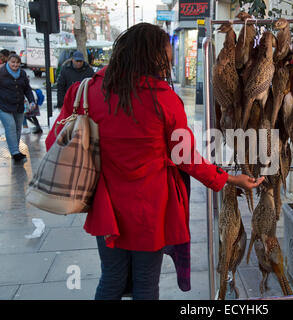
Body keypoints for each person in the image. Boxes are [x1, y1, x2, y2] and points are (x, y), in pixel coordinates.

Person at [45, 23, 264, 300]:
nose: (169, 62)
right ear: (153, 58)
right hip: (149, 209)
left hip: (105, 205)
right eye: (166, 57)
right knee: (146, 284)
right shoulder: (165, 99)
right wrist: (230, 178)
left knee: (111, 278)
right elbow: (186, 158)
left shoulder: (85, 91)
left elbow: (53, 143)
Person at [0, 54, 36, 162]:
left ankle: (15, 150)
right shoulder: (1, 73)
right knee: (10, 127)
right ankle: (15, 152)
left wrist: (32, 101)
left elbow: (27, 89)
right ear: (8, 62)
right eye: (13, 62)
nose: (15, 65)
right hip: (4, 106)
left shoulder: (22, 73)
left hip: (19, 106)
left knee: (17, 128)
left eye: (17, 63)